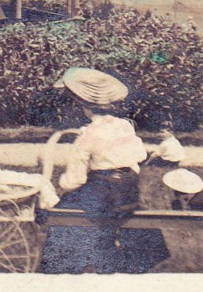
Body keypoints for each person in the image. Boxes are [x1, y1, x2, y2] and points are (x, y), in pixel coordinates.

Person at [38, 67, 169, 274]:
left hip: (101, 193)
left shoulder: (87, 135)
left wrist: (63, 183)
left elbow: (75, 179)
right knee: (113, 210)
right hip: (128, 190)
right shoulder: (125, 126)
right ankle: (115, 257)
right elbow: (140, 156)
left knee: (63, 213)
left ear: (83, 106)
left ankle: (62, 267)